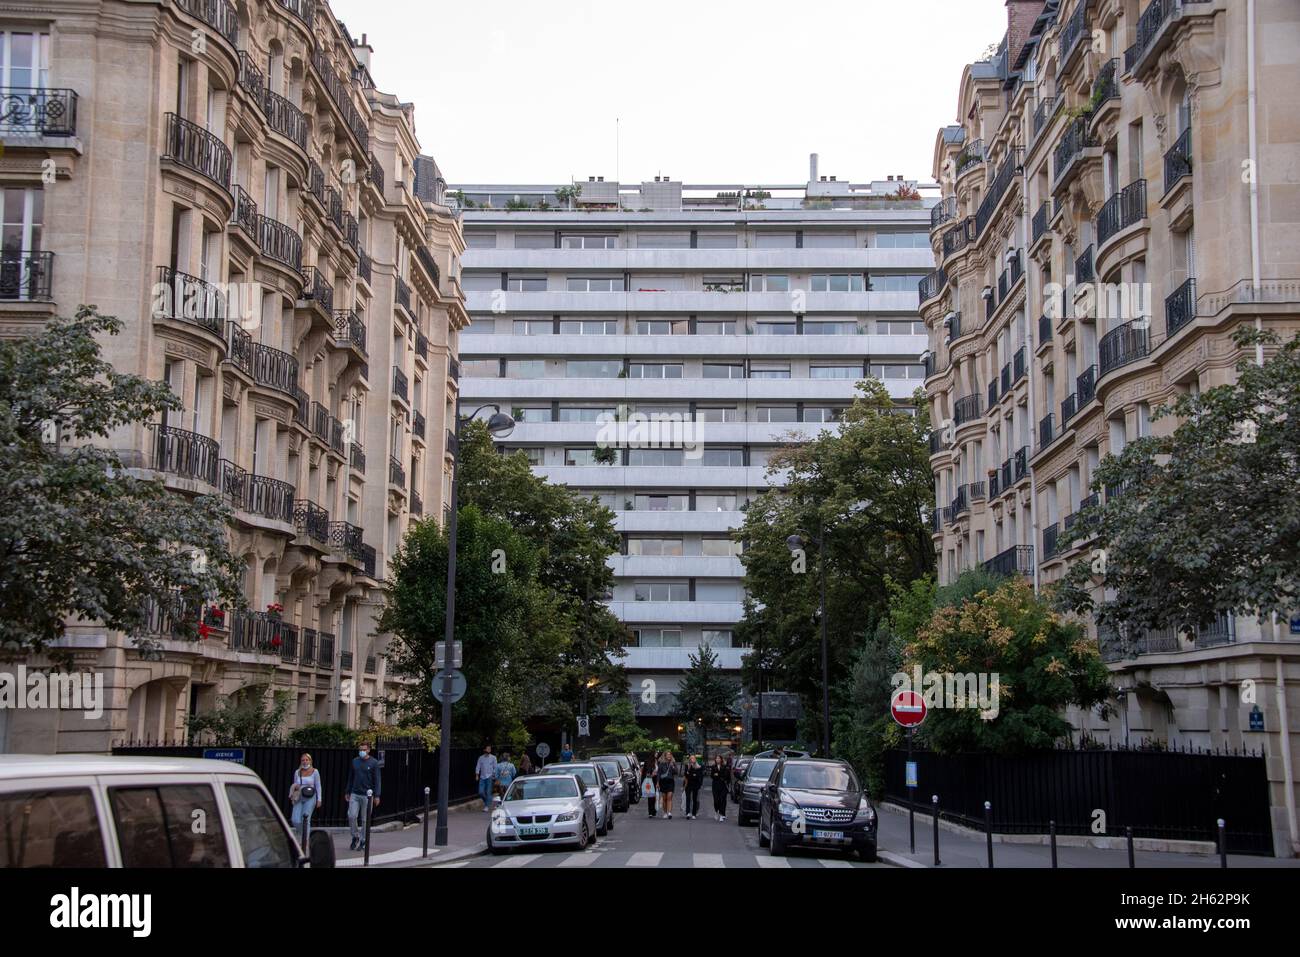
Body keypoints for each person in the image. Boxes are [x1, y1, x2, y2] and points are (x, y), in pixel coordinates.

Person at [344, 741, 382, 851]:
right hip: (355, 793)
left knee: (365, 819)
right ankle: (355, 836)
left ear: (369, 750)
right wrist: (348, 791)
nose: (362, 751)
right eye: (360, 749)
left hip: (367, 795)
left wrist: (377, 795)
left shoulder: (374, 763)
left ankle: (363, 839)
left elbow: (377, 780)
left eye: (364, 749)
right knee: (352, 815)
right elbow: (351, 777)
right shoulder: (355, 761)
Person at [289, 753, 321, 840]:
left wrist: (319, 799)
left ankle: (305, 841)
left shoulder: (315, 771)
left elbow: (318, 786)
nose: (305, 762)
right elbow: (295, 783)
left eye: (307, 760)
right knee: (295, 820)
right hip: (299, 796)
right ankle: (305, 835)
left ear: (310, 761)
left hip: (311, 796)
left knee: (305, 819)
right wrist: (295, 786)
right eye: (303, 760)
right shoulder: (297, 772)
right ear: (301, 761)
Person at [475, 745, 498, 811]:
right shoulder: (480, 758)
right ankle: (487, 802)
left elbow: (495, 767)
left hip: (490, 777)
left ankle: (486, 806)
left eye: (490, 749)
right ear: (484, 750)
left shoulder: (493, 757)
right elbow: (478, 766)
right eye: (488, 749)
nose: (489, 750)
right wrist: (477, 775)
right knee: (481, 792)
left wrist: (494, 775)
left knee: (488, 792)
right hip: (482, 776)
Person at [655, 750, 676, 819]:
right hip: (663, 782)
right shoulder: (661, 764)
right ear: (665, 756)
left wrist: (673, 767)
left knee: (669, 797)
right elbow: (658, 774)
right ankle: (665, 813)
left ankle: (669, 812)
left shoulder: (673, 763)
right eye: (667, 755)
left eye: (670, 754)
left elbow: (676, 772)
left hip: (670, 782)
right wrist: (657, 782)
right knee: (664, 798)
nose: (669, 756)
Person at [711, 754, 732, 822]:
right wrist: (717, 775)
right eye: (716, 758)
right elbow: (712, 775)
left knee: (723, 799)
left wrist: (718, 775)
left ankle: (722, 814)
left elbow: (727, 776)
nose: (718, 760)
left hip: (723, 786)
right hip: (715, 785)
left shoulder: (725, 767)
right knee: (716, 800)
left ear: (721, 759)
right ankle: (716, 811)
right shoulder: (713, 767)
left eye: (719, 758)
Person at [683, 754, 703, 820]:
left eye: (693, 758)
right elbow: (686, 775)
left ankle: (694, 813)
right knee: (688, 799)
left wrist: (699, 784)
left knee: (695, 799)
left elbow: (698, 776)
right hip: (688, 784)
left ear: (695, 759)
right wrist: (690, 771)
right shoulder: (687, 766)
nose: (692, 760)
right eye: (691, 758)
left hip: (695, 785)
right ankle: (688, 813)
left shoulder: (698, 767)